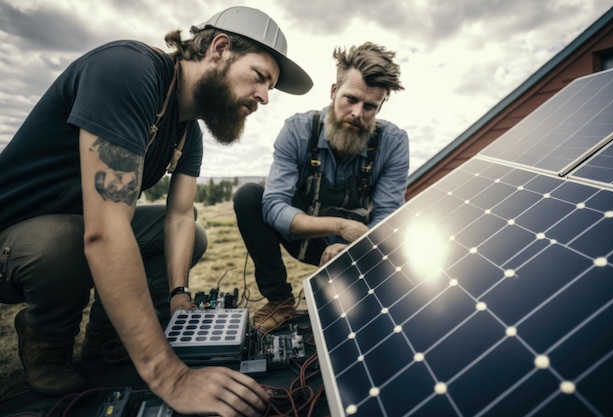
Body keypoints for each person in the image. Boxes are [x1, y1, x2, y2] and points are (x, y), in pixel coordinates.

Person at [0, 6, 312, 416]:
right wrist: (172, 376)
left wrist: (179, 293)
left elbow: (179, 217)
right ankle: (47, 337)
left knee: (192, 232)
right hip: (16, 239)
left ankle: (105, 337)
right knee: (66, 241)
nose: (264, 98)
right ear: (219, 48)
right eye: (259, 77)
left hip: (78, 229)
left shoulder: (188, 130)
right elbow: (104, 231)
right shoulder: (129, 69)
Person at [234, 42, 409, 334]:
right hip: (305, 235)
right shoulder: (298, 130)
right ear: (333, 92)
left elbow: (388, 217)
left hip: (355, 247)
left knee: (358, 323)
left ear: (380, 106)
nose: (357, 112)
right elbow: (274, 204)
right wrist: (339, 226)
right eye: (350, 99)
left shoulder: (393, 143)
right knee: (249, 197)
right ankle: (279, 299)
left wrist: (353, 245)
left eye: (370, 107)